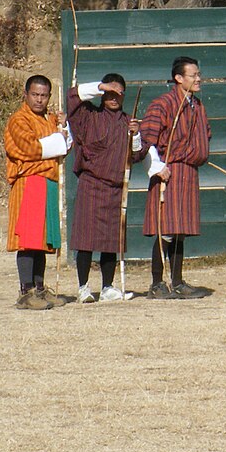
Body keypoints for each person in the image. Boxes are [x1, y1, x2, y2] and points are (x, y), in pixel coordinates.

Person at [68, 74, 146, 303]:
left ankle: (108, 287)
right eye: (108, 93)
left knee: (111, 240)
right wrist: (100, 86)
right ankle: (83, 287)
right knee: (86, 238)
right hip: (91, 184)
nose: (113, 97)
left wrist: (136, 135)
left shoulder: (128, 122)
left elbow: (137, 155)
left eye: (117, 93)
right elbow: (73, 98)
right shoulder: (88, 115)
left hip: (115, 187)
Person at [141, 56, 210, 300]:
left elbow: (204, 137)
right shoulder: (162, 104)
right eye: (193, 75)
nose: (198, 79)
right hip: (169, 172)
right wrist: (157, 166)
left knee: (180, 229)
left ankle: (178, 282)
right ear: (178, 78)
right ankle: (157, 283)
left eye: (198, 74)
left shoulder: (196, 105)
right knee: (167, 229)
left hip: (189, 172)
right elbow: (146, 139)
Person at [4, 75, 72, 310]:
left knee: (43, 239)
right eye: (35, 94)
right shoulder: (19, 120)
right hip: (29, 182)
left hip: (47, 181)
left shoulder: (50, 120)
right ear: (26, 94)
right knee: (28, 239)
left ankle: (40, 288)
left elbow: (62, 148)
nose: (39, 100)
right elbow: (29, 149)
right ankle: (26, 291)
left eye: (44, 96)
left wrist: (62, 130)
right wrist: (56, 142)